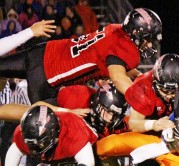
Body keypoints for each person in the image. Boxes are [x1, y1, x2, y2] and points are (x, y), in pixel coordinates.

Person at [0, 8, 162, 104]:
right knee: (55, 125)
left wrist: (139, 76)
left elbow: (114, 65)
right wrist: (145, 103)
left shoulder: (115, 30)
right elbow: (118, 78)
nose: (149, 44)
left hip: (43, 52)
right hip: (47, 77)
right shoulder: (124, 48)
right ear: (135, 33)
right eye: (148, 39)